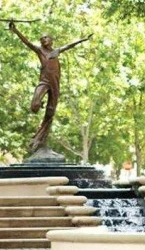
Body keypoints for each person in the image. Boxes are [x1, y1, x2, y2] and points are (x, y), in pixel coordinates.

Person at [9, 21, 91, 159]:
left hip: (55, 84)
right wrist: (16, 30)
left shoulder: (56, 51)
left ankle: (41, 141)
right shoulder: (40, 51)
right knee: (34, 106)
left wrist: (82, 39)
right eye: (41, 39)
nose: (43, 40)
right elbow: (27, 42)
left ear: (51, 40)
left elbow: (69, 45)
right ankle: (39, 107)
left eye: (45, 37)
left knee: (50, 113)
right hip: (44, 82)